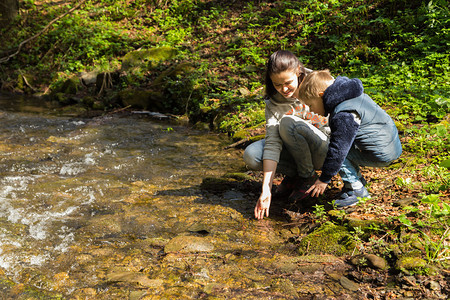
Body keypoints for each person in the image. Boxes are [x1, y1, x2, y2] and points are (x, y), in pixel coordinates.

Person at [243, 50, 330, 220]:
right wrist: (266, 190)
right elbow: (273, 142)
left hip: (325, 150)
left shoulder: (320, 82)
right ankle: (296, 176)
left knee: (288, 123)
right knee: (252, 155)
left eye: (288, 82)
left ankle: (307, 177)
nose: (283, 89)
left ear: (298, 71)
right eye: (277, 84)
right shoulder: (274, 102)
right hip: (297, 149)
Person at [299, 70, 402, 207]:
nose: (311, 111)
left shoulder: (344, 113)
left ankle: (356, 190)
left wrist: (324, 179)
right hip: (391, 146)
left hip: (382, 153)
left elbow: (338, 150)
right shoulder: (351, 96)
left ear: (321, 96)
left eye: (310, 105)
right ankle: (356, 181)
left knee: (334, 150)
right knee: (338, 143)